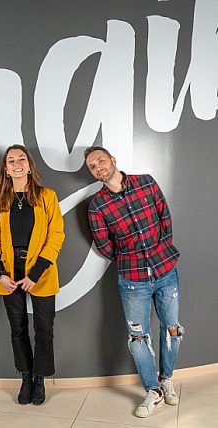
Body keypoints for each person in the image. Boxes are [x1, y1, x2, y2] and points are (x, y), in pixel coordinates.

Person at [85, 146, 184, 418]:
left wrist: (159, 249)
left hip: (166, 271)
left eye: (101, 161)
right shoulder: (97, 206)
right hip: (132, 280)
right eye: (93, 167)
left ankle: (167, 379)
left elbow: (165, 217)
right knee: (139, 338)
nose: (98, 168)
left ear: (113, 160)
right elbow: (104, 245)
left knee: (172, 328)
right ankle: (153, 391)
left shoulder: (146, 183)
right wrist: (130, 257)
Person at [0, 145, 65, 405]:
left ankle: (40, 380)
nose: (17, 163)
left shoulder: (47, 196)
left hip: (40, 272)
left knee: (44, 329)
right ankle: (25, 377)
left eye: (21, 159)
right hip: (9, 273)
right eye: (11, 161)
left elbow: (56, 236)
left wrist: (35, 273)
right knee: (17, 329)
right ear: (6, 169)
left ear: (30, 166)